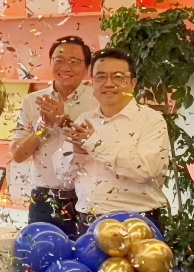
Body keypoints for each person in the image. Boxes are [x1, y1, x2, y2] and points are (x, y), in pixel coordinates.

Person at [54, 48, 170, 225]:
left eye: (118, 77)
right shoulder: (84, 119)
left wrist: (94, 144)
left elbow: (147, 170)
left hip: (135, 221)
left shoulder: (151, 120)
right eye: (101, 77)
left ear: (133, 83)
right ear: (92, 83)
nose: (109, 83)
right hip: (86, 220)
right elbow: (63, 176)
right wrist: (77, 154)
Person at [10, 36, 97, 238]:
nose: (66, 67)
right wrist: (43, 128)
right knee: (41, 254)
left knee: (85, 255)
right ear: (50, 63)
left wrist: (62, 120)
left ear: (87, 68)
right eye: (59, 60)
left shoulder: (97, 101)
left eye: (74, 62)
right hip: (44, 199)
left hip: (87, 197)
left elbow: (101, 147)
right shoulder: (32, 101)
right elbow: (18, 155)